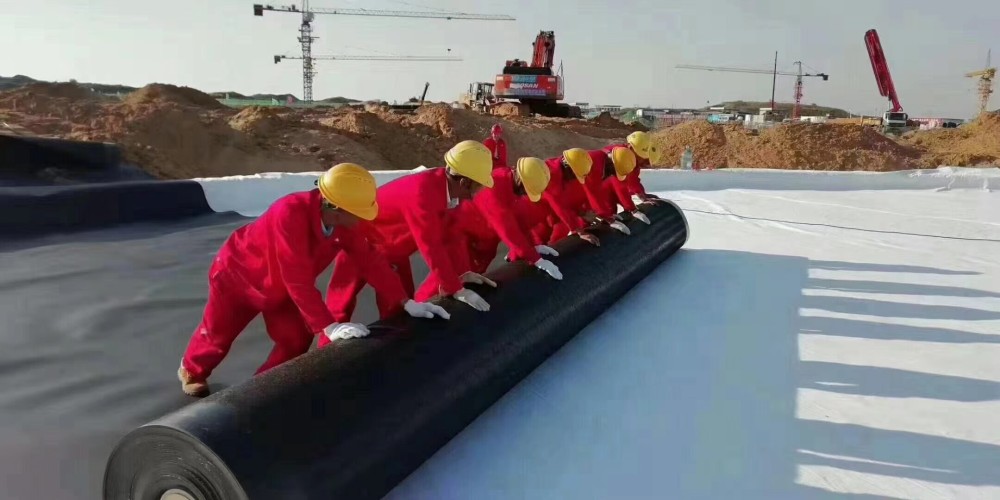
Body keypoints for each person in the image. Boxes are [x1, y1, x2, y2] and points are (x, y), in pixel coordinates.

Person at [177, 163, 451, 397]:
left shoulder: (344, 224)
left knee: (296, 338)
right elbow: (296, 277)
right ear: (336, 208)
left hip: (279, 288)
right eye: (357, 213)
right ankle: (192, 370)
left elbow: (370, 260)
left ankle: (258, 392)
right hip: (237, 277)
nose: (361, 220)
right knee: (217, 335)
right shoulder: (289, 213)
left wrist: (405, 301)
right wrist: (329, 326)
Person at [325, 140, 498, 321]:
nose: (480, 191)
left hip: (393, 250)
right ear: (464, 182)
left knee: (401, 310)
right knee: (339, 309)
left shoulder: (447, 193)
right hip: (360, 243)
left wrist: (462, 274)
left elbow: (451, 236)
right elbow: (431, 246)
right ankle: (328, 338)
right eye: (479, 185)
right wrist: (455, 289)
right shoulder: (423, 193)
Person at [452, 156, 564, 280]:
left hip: (482, 241)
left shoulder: (508, 182)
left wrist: (533, 245)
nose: (525, 194)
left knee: (474, 275)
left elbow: (518, 221)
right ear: (520, 179)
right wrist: (535, 259)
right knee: (456, 276)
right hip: (463, 238)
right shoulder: (493, 190)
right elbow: (508, 230)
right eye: (525, 190)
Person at [530, 148, 601, 247]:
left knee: (561, 226)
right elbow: (560, 208)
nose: (574, 178)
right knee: (539, 240)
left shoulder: (568, 169)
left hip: (547, 206)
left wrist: (583, 213)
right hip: (534, 209)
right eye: (573, 175)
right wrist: (580, 232)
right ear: (567, 166)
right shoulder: (551, 175)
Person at [603, 131, 663, 204]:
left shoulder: (634, 162)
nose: (645, 165)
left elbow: (634, 180)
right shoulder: (618, 156)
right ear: (631, 148)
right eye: (645, 160)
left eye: (647, 162)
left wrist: (643, 195)